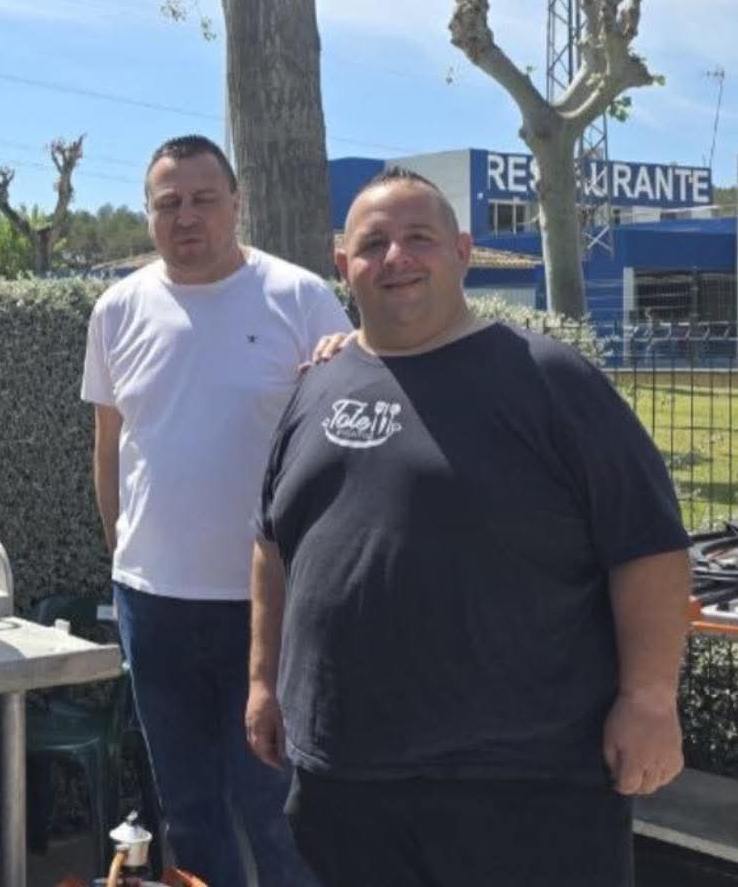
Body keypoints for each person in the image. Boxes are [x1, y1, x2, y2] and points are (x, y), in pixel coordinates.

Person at [248, 166, 691, 887]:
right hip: (344, 778)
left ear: (461, 251)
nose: (396, 257)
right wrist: (263, 682)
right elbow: (271, 544)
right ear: (343, 264)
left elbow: (648, 547)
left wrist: (647, 700)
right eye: (373, 244)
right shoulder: (316, 387)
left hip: (522, 782)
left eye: (418, 238)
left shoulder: (549, 379)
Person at [81, 134, 349, 887]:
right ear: (148, 213)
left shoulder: (300, 298)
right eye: (168, 203)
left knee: (277, 811)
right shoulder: (116, 309)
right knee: (189, 812)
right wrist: (123, 558)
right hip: (152, 605)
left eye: (203, 198)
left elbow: (343, 442)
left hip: (267, 606)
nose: (186, 216)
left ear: (236, 202)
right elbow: (110, 447)